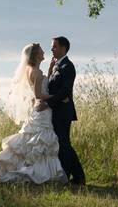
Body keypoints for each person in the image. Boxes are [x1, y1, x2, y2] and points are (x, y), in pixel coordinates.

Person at [0, 42, 68, 184]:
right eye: (41, 50)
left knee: (31, 143)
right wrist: (59, 97)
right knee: (40, 143)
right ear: (36, 55)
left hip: (37, 111)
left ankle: (32, 169)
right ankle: (39, 173)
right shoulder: (37, 72)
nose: (44, 52)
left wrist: (50, 70)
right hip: (42, 111)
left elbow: (37, 89)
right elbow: (39, 94)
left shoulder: (30, 70)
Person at [42, 36, 86, 185]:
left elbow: (65, 91)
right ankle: (78, 176)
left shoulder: (68, 66)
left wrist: (48, 103)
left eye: (54, 46)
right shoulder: (56, 66)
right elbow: (52, 87)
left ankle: (68, 176)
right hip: (57, 110)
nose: (51, 49)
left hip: (63, 112)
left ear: (63, 48)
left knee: (63, 144)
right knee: (63, 143)